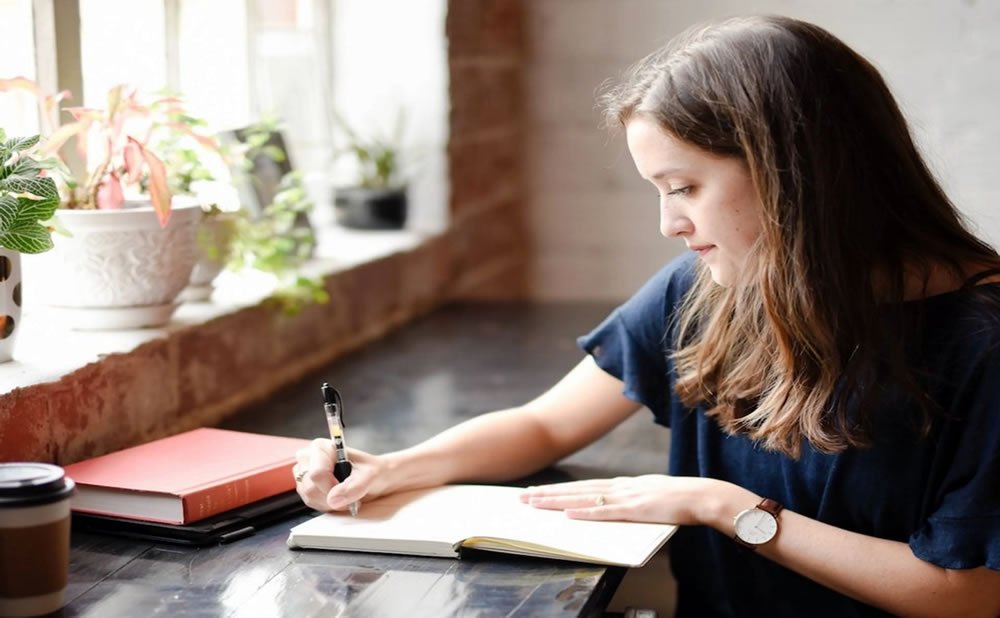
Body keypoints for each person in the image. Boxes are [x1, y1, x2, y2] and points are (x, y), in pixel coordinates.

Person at [294, 14, 1000, 617]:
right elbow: (546, 424)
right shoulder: (709, 288)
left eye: (685, 187)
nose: (670, 224)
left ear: (796, 171)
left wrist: (726, 507)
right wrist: (395, 469)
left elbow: (965, 595)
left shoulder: (983, 344)